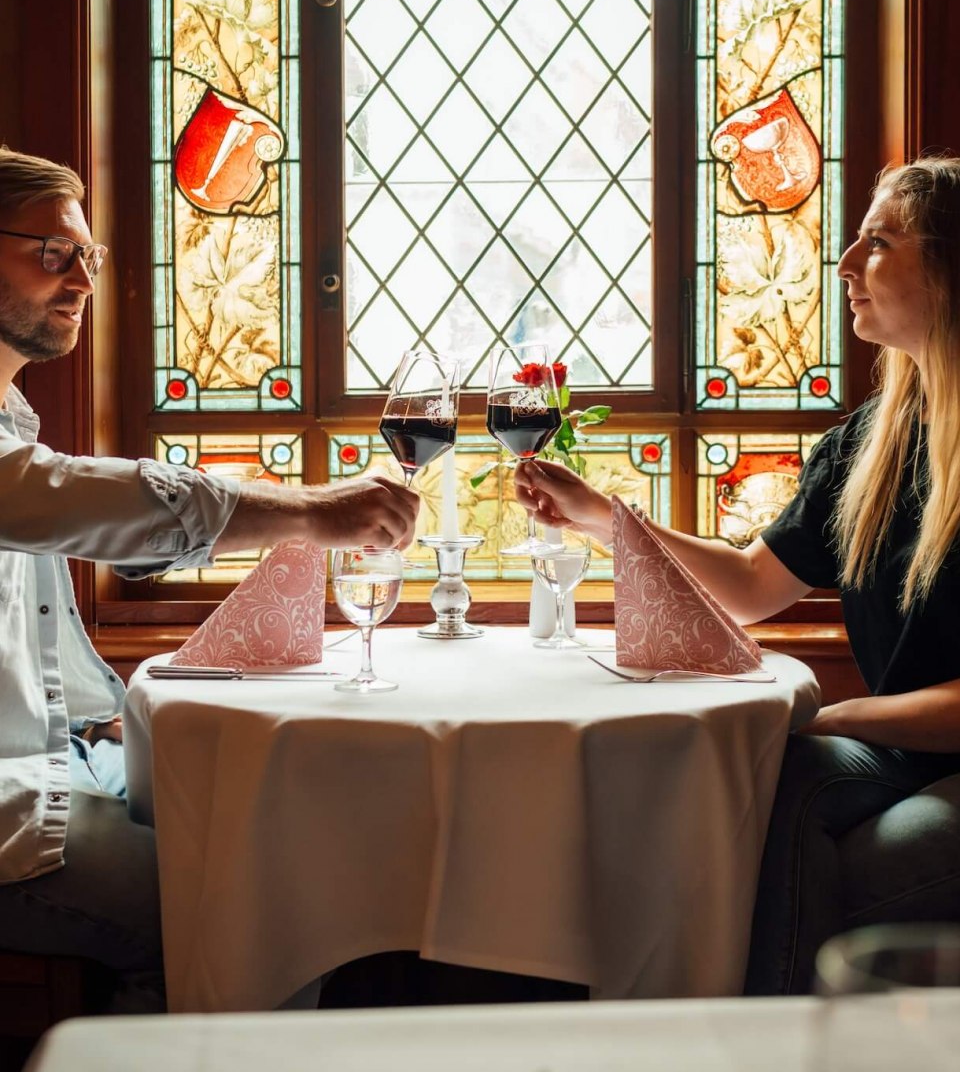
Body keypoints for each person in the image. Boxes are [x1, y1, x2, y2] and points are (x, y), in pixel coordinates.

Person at [514, 157, 960, 994]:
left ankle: (753, 1037)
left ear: (947, 269)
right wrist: (604, 518)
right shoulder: (871, 443)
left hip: (928, 753)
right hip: (900, 754)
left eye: (880, 241)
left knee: (783, 789)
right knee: (752, 778)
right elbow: (755, 586)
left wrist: (842, 715)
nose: (845, 263)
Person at [0, 146, 419, 1008]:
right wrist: (309, 512)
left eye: (90, 254)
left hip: (56, 762)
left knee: (288, 847)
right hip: (7, 805)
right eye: (51, 253)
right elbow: (54, 498)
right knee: (245, 914)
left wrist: (94, 715)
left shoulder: (12, 411)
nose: (81, 278)